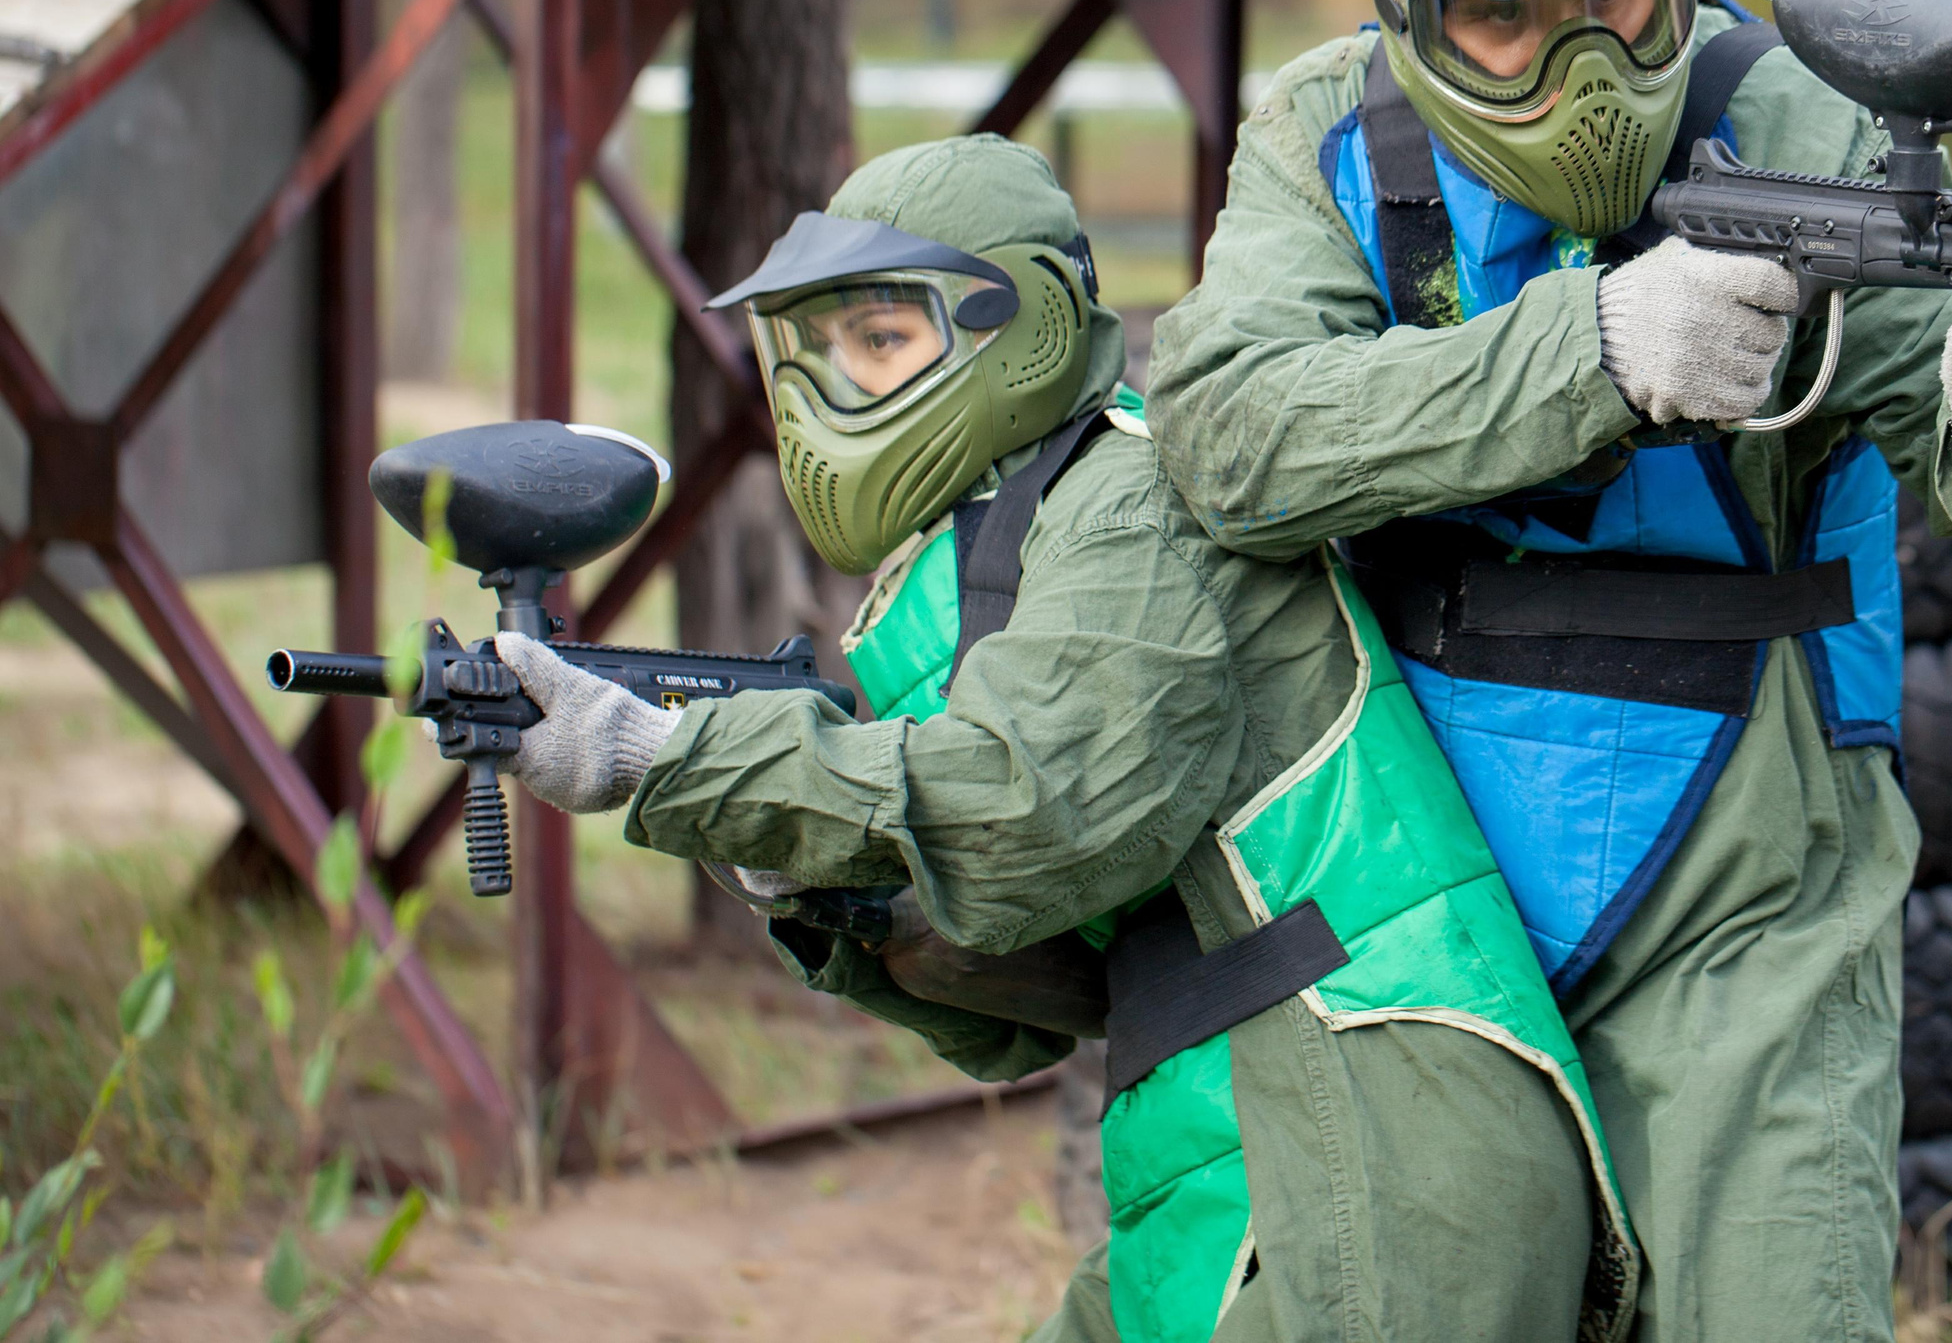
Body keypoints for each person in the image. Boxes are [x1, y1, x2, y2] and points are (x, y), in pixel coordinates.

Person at [1143, 0, 1952, 1339]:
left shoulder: (1797, 108)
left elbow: (1950, 396)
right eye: (1513, 17)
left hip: (1757, 837)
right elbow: (1228, 439)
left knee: (1780, 1296)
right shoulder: (1332, 138)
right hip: (1416, 830)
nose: (1590, 60)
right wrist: (1594, 346)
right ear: (1412, 17)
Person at [481, 134, 1640, 1343]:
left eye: (879, 341)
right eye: (815, 352)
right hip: (1236, 1133)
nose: (833, 392)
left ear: (1021, 329)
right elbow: (1030, 998)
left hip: (1378, 1134)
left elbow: (1034, 810)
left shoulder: (1134, 504)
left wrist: (671, 763)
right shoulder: (998, 550)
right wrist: (822, 886)